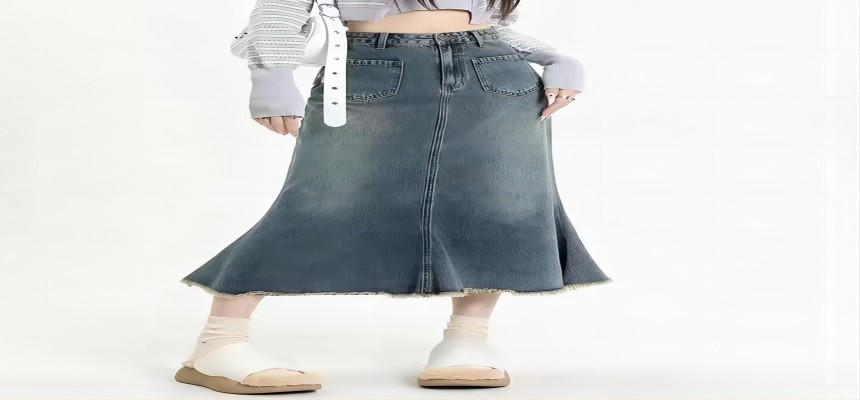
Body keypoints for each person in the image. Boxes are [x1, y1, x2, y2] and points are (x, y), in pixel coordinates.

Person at [174, 0, 613, 395]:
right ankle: (219, 342)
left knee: (497, 205)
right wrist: (271, 75)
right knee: (319, 203)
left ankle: (467, 337)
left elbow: (487, 21)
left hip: (497, 73)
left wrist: (555, 57)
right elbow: (281, 7)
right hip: (370, 67)